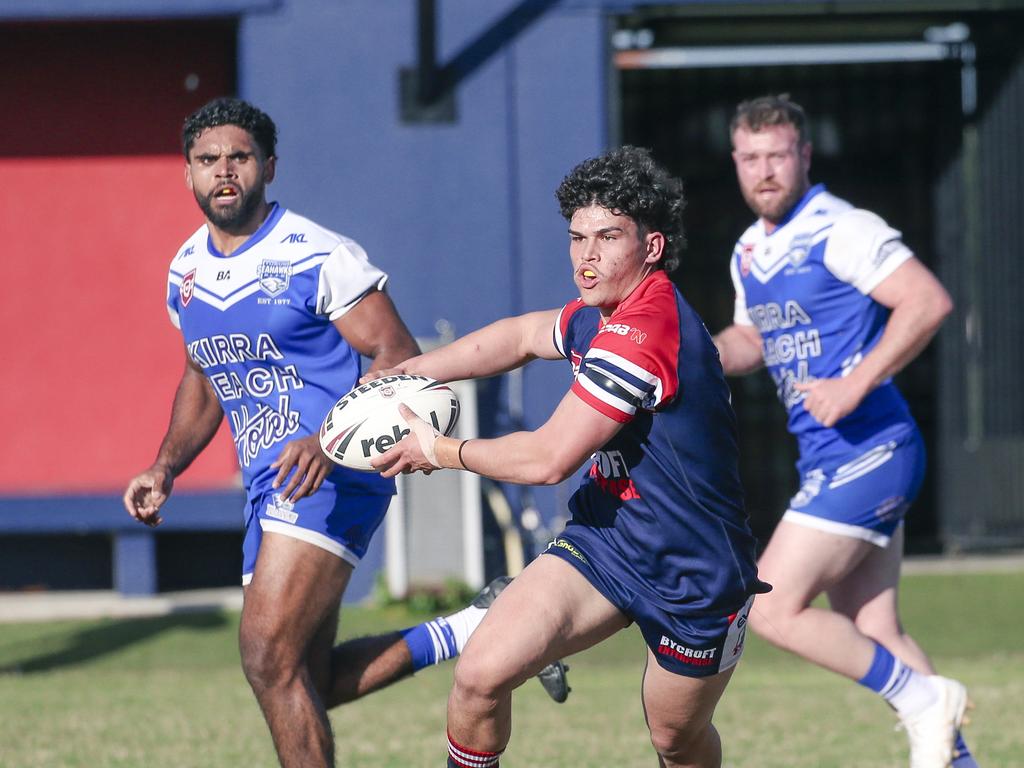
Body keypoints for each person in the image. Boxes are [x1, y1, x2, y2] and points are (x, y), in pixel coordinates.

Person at [122, 97, 568, 768]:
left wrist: (326, 436)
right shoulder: (183, 271)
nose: (223, 171)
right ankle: (477, 624)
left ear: (268, 166)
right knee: (308, 678)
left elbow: (398, 353)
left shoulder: (317, 253)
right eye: (208, 160)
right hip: (267, 484)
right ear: (186, 173)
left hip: (329, 473)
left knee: (266, 657)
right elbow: (203, 376)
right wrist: (165, 466)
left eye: (238, 157)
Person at [368, 145, 771, 768]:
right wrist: (410, 372)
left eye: (608, 237)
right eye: (577, 237)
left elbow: (548, 458)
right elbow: (522, 336)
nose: (587, 256)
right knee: (479, 678)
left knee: (676, 740)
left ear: (652, 248)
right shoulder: (598, 314)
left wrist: (439, 450)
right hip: (606, 542)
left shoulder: (646, 330)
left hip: (695, 574)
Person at [713, 94, 975, 768]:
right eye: (750, 158)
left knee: (768, 607)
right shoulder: (749, 250)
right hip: (833, 454)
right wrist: (694, 360)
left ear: (803, 155)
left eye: (777, 155)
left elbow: (927, 301)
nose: (764, 170)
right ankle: (956, 753)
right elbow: (753, 338)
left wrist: (854, 384)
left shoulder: (842, 227)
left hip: (872, 446)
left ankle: (924, 701)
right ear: (736, 163)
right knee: (875, 629)